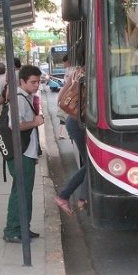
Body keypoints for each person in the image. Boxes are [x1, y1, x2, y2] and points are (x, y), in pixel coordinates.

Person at [3, 65, 45, 243]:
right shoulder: (19, 99)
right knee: (21, 191)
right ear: (22, 82)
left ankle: (23, 228)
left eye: (38, 82)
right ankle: (13, 229)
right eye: (33, 82)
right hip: (22, 152)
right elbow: (15, 125)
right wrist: (35, 122)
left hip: (27, 151)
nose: (36, 86)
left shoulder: (25, 96)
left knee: (25, 191)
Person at [54, 42, 88, 215]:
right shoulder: (91, 72)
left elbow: (60, 98)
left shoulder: (76, 71)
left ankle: (83, 198)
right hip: (80, 122)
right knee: (91, 163)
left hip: (72, 120)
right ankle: (65, 196)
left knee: (88, 162)